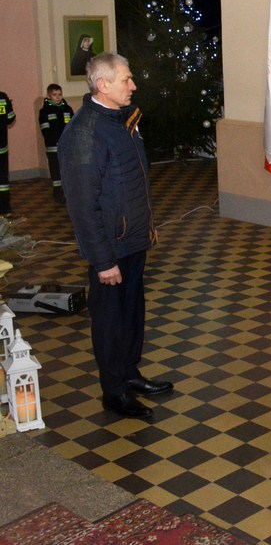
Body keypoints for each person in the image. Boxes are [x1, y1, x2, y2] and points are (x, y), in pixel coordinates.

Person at [59, 53, 173, 419]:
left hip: (134, 238)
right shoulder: (84, 133)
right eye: (127, 79)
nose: (134, 85)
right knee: (109, 321)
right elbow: (82, 205)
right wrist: (102, 260)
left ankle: (129, 374)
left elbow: (133, 180)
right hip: (109, 247)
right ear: (103, 85)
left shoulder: (122, 120)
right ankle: (114, 392)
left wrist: (147, 222)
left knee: (132, 313)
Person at [38, 83, 74, 203]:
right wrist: (55, 141)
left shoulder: (67, 109)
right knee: (55, 168)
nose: (58, 97)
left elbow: (73, 126)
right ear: (48, 96)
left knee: (67, 168)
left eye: (59, 94)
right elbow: (45, 130)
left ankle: (68, 191)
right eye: (54, 95)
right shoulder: (45, 111)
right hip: (53, 147)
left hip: (67, 146)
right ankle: (57, 192)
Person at [0, 88, 15, 215]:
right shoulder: (3, 98)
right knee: (3, 179)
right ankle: (5, 208)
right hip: (2, 147)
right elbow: (10, 118)